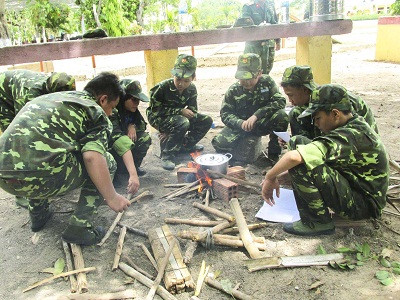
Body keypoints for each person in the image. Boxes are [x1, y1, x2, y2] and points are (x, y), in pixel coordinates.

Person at [0, 72, 135, 246]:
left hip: (5, 177)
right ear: (103, 99)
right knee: (107, 162)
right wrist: (112, 197)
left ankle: (38, 215)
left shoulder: (54, 97)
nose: (111, 113)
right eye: (112, 107)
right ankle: (79, 228)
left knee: (43, 154)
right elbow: (92, 158)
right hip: (37, 178)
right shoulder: (95, 112)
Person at [262, 84, 389, 236]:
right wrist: (283, 177)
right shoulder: (353, 124)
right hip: (356, 190)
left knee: (301, 161)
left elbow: (294, 157)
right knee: (299, 142)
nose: (316, 123)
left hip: (364, 206)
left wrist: (270, 177)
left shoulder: (351, 135)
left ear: (335, 114)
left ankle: (317, 222)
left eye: (318, 118)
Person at [0, 69, 76, 208]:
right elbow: (24, 127)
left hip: (14, 87)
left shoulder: (60, 82)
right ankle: (21, 191)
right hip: (3, 98)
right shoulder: (29, 96)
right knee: (17, 143)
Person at [212, 53, 288, 164]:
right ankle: (242, 151)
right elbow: (225, 114)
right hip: (241, 127)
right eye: (243, 78)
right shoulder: (234, 90)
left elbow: (280, 101)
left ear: (259, 73)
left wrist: (257, 115)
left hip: (261, 123)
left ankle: (273, 156)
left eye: (250, 78)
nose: (246, 82)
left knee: (281, 116)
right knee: (219, 144)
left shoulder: (267, 82)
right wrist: (240, 123)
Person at [146, 54, 213, 170]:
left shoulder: (191, 89)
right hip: (158, 117)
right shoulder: (161, 88)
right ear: (173, 75)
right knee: (183, 122)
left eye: (186, 80)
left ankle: (186, 145)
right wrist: (179, 112)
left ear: (193, 77)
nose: (181, 84)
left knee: (206, 121)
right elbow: (155, 111)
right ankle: (167, 156)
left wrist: (187, 114)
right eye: (178, 79)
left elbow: (193, 110)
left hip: (178, 118)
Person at [281, 65, 379, 140]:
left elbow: (350, 137)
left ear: (305, 90)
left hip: (357, 143)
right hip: (333, 142)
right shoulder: (303, 107)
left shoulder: (335, 100)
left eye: (291, 95)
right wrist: (294, 140)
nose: (290, 100)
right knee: (295, 113)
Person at [109, 79, 151, 178]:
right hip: (112, 143)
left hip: (124, 144)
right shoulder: (113, 110)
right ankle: (113, 173)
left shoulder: (132, 110)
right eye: (134, 100)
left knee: (144, 138)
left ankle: (133, 167)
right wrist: (126, 128)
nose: (137, 103)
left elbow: (142, 125)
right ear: (124, 98)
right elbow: (114, 135)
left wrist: (132, 126)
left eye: (138, 100)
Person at [242, 0, 281, 75]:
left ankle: (263, 86)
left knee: (266, 72)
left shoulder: (270, 4)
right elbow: (245, 24)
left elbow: (275, 23)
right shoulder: (248, 7)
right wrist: (258, 28)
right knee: (250, 72)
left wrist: (278, 41)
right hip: (254, 46)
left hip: (269, 45)